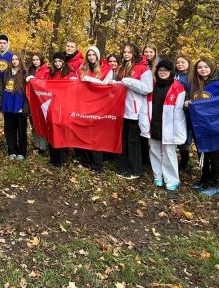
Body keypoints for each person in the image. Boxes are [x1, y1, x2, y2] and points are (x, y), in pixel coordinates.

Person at [112, 44, 153, 179]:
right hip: (121, 109)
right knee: (123, 139)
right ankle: (123, 167)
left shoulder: (143, 68)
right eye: (124, 52)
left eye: (129, 52)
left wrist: (129, 82)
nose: (126, 54)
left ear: (134, 53)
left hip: (135, 111)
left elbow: (147, 88)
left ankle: (135, 170)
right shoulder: (121, 68)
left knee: (133, 141)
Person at [186, 58, 219, 196]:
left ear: (212, 68)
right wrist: (187, 103)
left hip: (213, 126)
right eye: (200, 67)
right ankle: (204, 179)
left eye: (206, 67)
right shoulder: (192, 85)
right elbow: (188, 101)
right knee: (202, 153)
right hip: (197, 125)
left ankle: (214, 183)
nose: (203, 69)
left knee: (213, 154)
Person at [148, 60, 186, 191]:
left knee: (169, 153)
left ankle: (172, 179)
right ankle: (158, 176)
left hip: (169, 125)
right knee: (154, 150)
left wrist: (178, 130)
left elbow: (179, 111)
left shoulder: (178, 87)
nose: (162, 73)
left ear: (170, 72)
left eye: (165, 70)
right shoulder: (153, 85)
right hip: (153, 123)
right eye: (160, 70)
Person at [44, 52, 78, 167]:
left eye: (60, 61)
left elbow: (73, 91)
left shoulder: (69, 73)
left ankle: (62, 159)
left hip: (64, 106)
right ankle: (54, 158)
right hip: (53, 105)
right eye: (56, 61)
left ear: (64, 62)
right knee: (52, 130)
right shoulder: (51, 73)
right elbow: (44, 85)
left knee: (62, 131)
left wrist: (74, 82)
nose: (57, 63)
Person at [78, 46, 109, 171]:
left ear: (97, 56)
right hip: (84, 104)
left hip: (99, 105)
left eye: (93, 55)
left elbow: (106, 85)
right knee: (83, 133)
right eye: (89, 55)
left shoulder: (105, 68)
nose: (91, 57)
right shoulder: (82, 68)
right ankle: (85, 162)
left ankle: (97, 164)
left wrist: (90, 79)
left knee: (96, 136)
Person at [2, 54, 29, 160]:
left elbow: (27, 92)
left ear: (20, 60)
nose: (14, 61)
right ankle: (12, 150)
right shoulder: (6, 73)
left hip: (19, 106)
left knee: (21, 130)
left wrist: (24, 106)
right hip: (8, 106)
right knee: (9, 129)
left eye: (16, 59)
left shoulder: (24, 73)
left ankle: (22, 152)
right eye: (12, 59)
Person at [174, 55, 194, 173]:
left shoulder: (191, 77)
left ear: (188, 63)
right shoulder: (174, 75)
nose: (180, 64)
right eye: (178, 62)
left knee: (185, 134)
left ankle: (185, 161)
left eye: (183, 62)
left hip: (185, 109)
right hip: (173, 108)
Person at [26, 53, 49, 155]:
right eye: (34, 59)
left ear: (41, 60)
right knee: (34, 124)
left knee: (41, 124)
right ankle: (36, 144)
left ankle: (43, 146)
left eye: (37, 59)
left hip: (42, 102)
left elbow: (47, 85)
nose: (35, 61)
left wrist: (36, 80)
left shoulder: (46, 70)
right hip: (31, 102)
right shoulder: (29, 70)